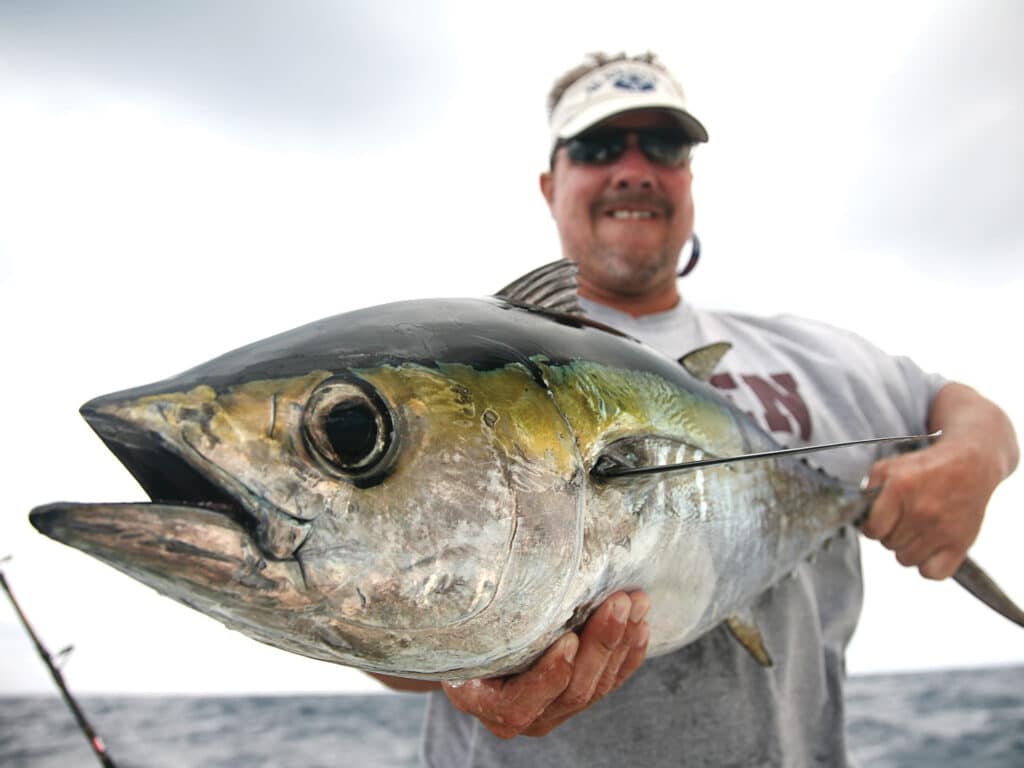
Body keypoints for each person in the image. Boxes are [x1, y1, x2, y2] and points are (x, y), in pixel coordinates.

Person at [373, 52, 1019, 766]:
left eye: (664, 145)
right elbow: (383, 591)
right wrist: (437, 650)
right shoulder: (467, 373)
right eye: (595, 146)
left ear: (688, 180)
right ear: (550, 184)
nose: (633, 166)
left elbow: (962, 408)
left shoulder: (818, 359)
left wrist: (973, 459)